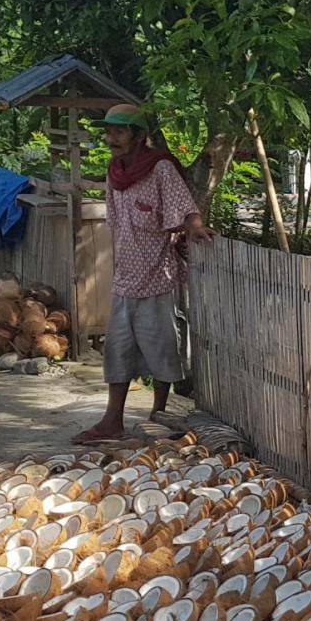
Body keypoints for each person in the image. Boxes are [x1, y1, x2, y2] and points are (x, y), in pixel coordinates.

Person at [74, 103, 212, 443]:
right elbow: (116, 222)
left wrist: (195, 226)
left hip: (159, 274)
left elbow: (185, 206)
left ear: (138, 136)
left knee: (162, 348)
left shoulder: (161, 168)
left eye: (118, 132)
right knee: (117, 350)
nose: (111, 139)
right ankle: (112, 420)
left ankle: (158, 415)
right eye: (108, 132)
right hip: (125, 277)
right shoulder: (114, 172)